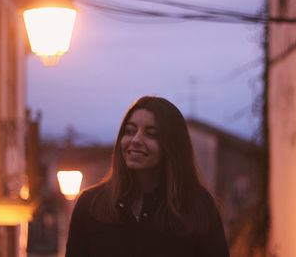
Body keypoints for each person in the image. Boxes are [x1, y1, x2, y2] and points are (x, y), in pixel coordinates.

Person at [65, 96, 229, 257]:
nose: (136, 140)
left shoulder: (198, 206)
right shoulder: (90, 205)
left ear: (172, 145)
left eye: (151, 134)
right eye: (130, 131)